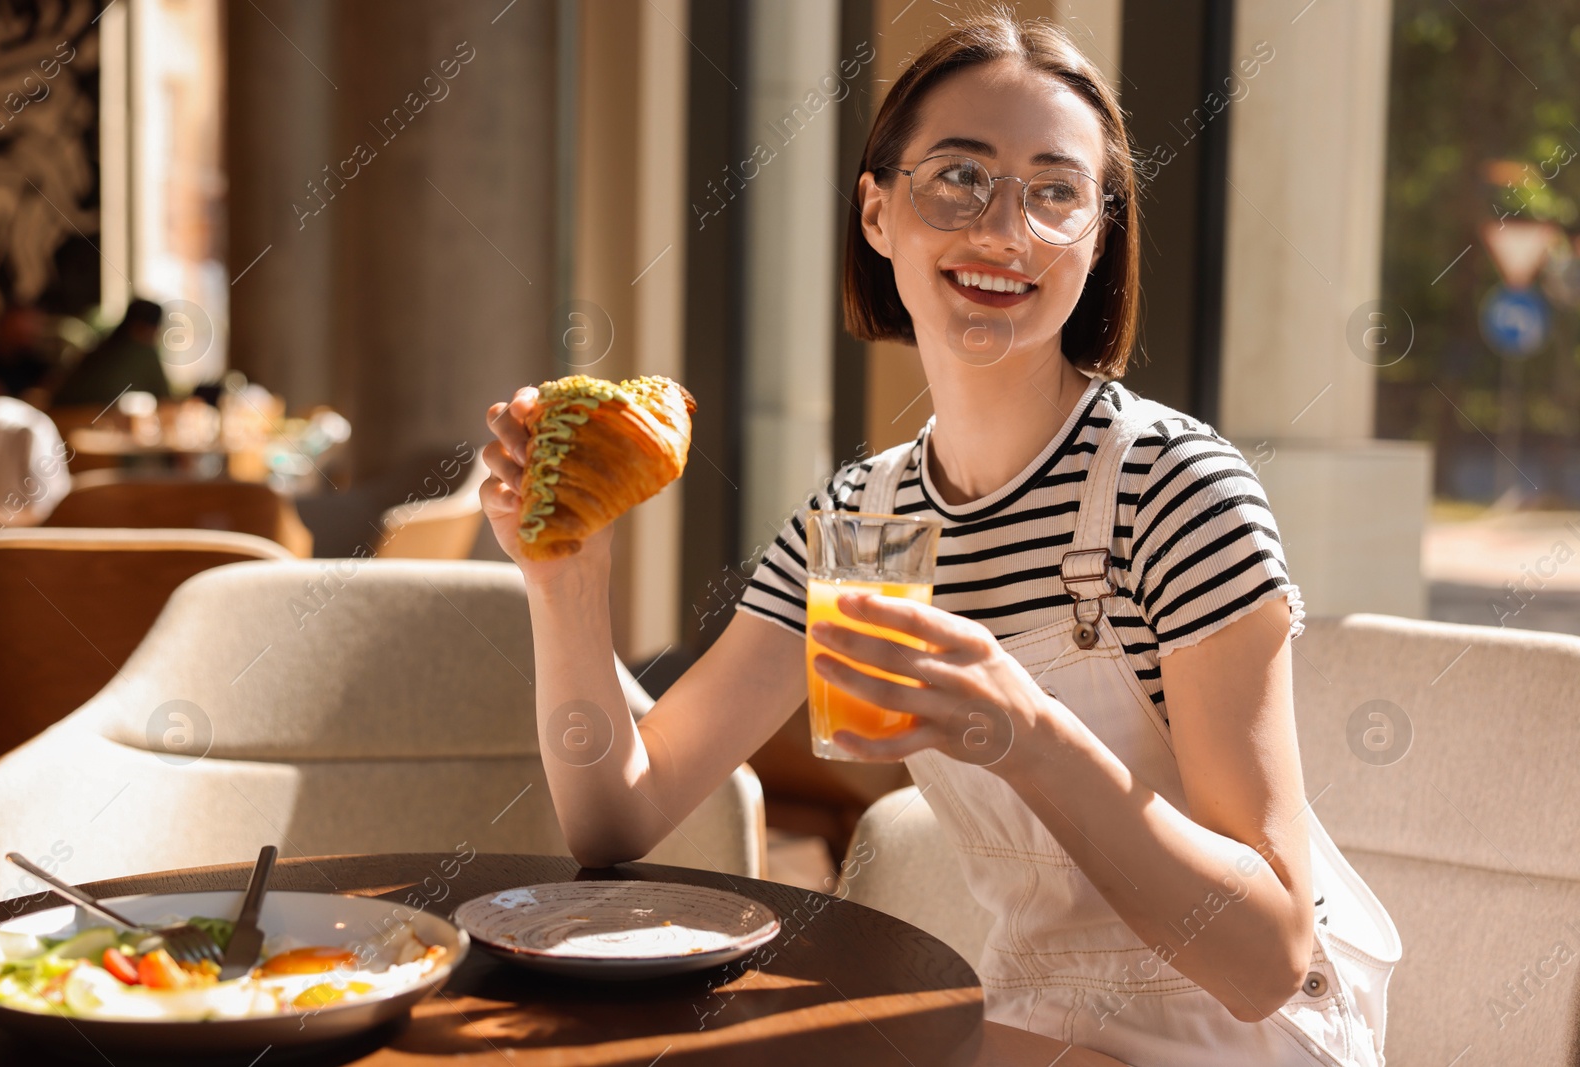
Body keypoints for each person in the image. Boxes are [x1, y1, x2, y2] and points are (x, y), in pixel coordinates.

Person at [480, 14, 1396, 1066]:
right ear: (876, 211)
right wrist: (564, 581)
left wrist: (1027, 733)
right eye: (958, 177)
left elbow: (1266, 956)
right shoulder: (857, 522)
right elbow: (616, 813)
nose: (1005, 230)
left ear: (1095, 239)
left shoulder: (1176, 489)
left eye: (1054, 191)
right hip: (1038, 1027)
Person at [52, 298, 170, 407]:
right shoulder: (144, 353)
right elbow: (165, 399)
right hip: (94, 420)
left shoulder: (102, 346)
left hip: (63, 414)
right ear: (147, 328)